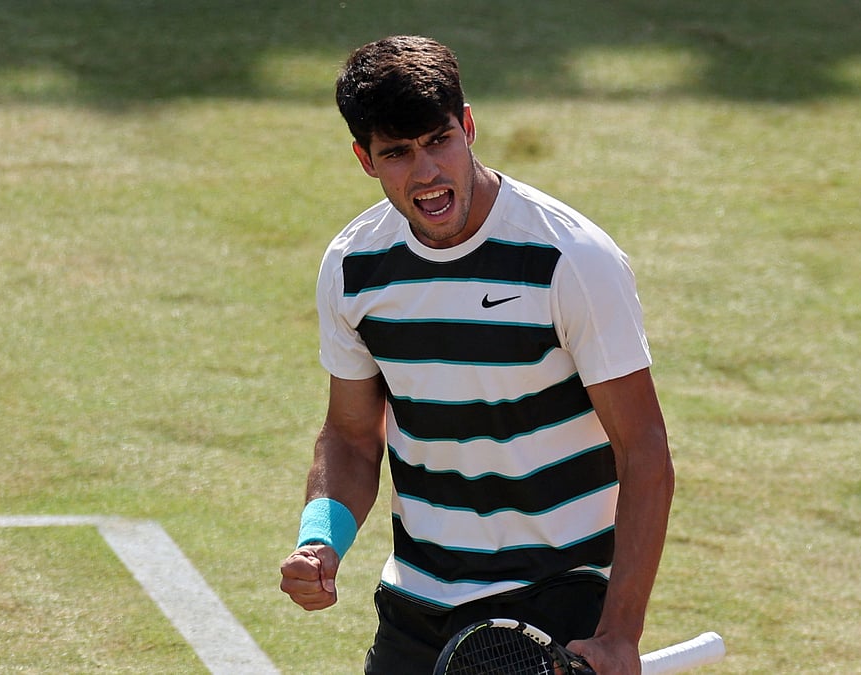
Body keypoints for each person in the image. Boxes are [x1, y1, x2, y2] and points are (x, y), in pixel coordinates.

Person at [279, 35, 674, 675]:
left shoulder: (571, 259)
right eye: (398, 154)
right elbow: (351, 438)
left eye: (439, 140)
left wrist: (620, 632)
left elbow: (644, 447)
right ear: (364, 159)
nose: (427, 172)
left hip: (555, 600)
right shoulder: (353, 268)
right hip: (417, 599)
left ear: (467, 126)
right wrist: (321, 540)